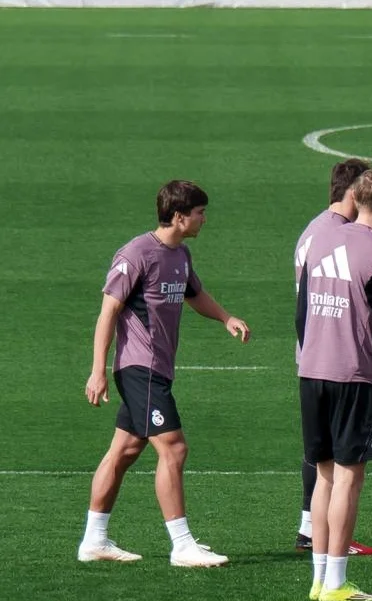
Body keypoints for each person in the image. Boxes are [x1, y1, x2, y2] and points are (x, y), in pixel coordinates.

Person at [80, 180, 250, 568]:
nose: (204, 220)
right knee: (174, 447)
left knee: (123, 451)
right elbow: (107, 313)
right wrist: (98, 371)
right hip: (140, 369)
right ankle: (182, 544)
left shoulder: (181, 255)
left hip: (158, 370)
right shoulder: (136, 254)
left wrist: (226, 317)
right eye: (199, 213)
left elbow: (194, 295)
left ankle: (94, 540)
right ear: (179, 216)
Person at [298, 168, 372, 601]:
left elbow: (301, 314)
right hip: (350, 377)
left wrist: (316, 354)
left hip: (312, 372)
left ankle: (319, 579)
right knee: (349, 477)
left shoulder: (320, 241)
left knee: (325, 476)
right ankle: (338, 583)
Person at [293, 157, 372, 557]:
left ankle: (313, 530)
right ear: (355, 192)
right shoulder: (339, 235)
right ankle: (318, 535)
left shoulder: (316, 230)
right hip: (335, 353)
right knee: (334, 461)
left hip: (314, 350)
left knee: (321, 452)